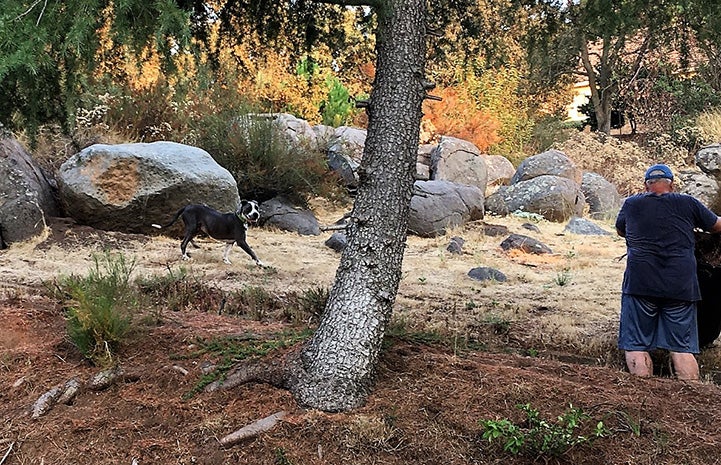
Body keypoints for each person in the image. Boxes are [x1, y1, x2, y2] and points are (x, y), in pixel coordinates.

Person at [615, 163, 721, 380]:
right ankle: (690, 400)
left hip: (640, 284)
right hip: (680, 286)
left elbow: (620, 229)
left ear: (646, 185)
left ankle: (643, 397)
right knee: (682, 348)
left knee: (636, 345)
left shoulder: (632, 204)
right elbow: (716, 226)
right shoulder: (686, 202)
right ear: (671, 185)